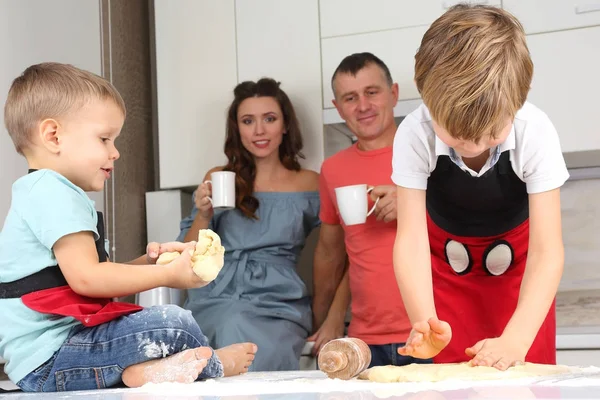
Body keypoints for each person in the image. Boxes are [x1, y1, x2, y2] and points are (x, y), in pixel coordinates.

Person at [0, 63, 256, 392]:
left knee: (165, 322)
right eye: (105, 138)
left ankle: (141, 371)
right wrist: (168, 276)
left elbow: (91, 278)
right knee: (173, 322)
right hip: (53, 359)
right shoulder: (52, 193)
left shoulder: (45, 192)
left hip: (56, 355)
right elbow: (89, 279)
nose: (115, 152)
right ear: (53, 136)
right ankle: (214, 363)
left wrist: (150, 262)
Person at [392, 4, 568, 369]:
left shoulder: (535, 130)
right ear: (423, 92)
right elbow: (411, 240)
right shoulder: (413, 133)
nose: (472, 144)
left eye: (490, 134)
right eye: (453, 134)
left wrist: (517, 339)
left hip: (522, 282)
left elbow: (547, 252)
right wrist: (424, 322)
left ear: (521, 97)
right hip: (449, 277)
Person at [178, 78, 320, 371]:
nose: (259, 130)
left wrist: (329, 317)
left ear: (285, 125)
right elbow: (188, 253)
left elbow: (338, 249)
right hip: (216, 295)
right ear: (237, 128)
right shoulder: (219, 176)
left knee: (253, 350)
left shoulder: (309, 183)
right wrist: (203, 213)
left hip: (279, 301)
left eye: (269, 119)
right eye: (247, 120)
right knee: (226, 331)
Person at [310, 53, 430, 368]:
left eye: (372, 92)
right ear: (337, 107)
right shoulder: (332, 170)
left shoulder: (431, 153)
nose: (363, 106)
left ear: (393, 93)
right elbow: (334, 254)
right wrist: (326, 319)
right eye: (351, 98)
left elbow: (470, 227)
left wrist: (415, 206)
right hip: (364, 343)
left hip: (429, 334)